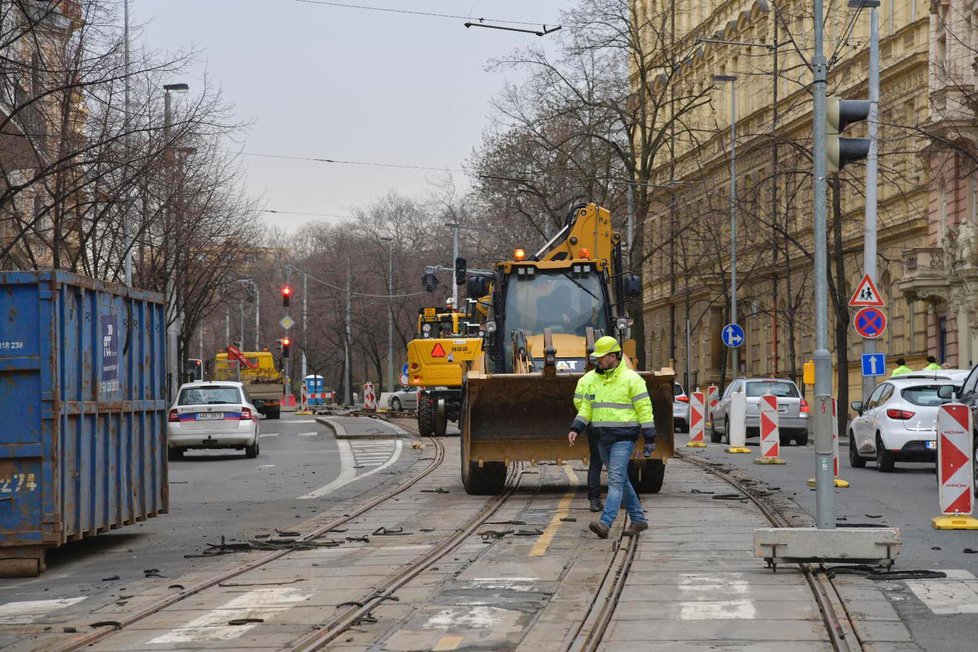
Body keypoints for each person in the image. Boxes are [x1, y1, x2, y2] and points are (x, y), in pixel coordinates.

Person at [568, 336, 655, 539]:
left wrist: (650, 438)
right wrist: (576, 428)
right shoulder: (593, 380)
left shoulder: (632, 380)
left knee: (615, 480)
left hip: (623, 438)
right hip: (602, 438)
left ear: (614, 356)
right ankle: (639, 519)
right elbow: (586, 408)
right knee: (621, 480)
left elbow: (645, 410)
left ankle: (606, 523)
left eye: (602, 356)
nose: (598, 360)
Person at [573, 373, 603, 512]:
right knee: (619, 465)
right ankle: (623, 499)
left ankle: (594, 500)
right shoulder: (619, 377)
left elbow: (580, 403)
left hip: (593, 425)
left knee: (596, 462)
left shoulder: (585, 380)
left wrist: (588, 418)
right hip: (617, 427)